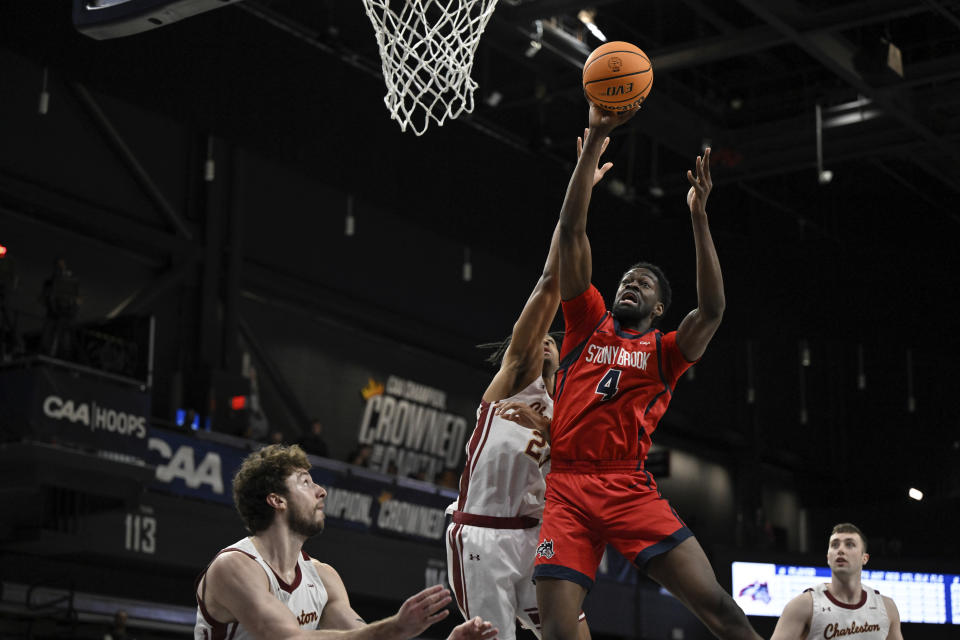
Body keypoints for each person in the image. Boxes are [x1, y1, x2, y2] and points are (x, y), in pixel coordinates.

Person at [532, 104, 761, 640]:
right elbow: (570, 232)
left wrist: (699, 219)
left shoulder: (665, 351)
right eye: (626, 279)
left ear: (659, 308)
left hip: (627, 484)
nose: (630, 283)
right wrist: (592, 145)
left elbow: (712, 312)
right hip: (566, 487)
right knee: (560, 634)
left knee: (719, 608)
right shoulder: (587, 323)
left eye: (645, 283)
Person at [445, 128, 615, 640]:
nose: (546, 340)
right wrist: (584, 166)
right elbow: (551, 277)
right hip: (484, 538)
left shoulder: (568, 409)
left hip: (537, 537)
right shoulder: (513, 383)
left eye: (553, 340)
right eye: (541, 336)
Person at [194, 443, 498, 640]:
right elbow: (289, 639)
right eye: (305, 482)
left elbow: (363, 637)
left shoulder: (323, 577)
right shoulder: (234, 566)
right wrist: (394, 626)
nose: (321, 491)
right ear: (276, 500)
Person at [770, 523, 903, 640]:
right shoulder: (803, 605)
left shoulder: (887, 607)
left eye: (849, 544)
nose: (840, 550)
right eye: (835, 545)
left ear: (865, 558)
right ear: (828, 557)